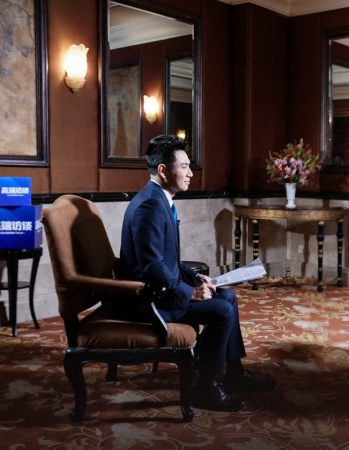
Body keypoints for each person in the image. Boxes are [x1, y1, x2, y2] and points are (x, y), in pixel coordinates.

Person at [117, 135, 276, 412]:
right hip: (150, 300)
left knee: (228, 297)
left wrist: (194, 277)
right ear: (163, 170)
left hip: (162, 290)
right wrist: (188, 293)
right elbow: (151, 267)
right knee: (221, 310)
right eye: (184, 167)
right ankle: (206, 388)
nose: (190, 173)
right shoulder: (149, 205)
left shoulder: (160, 199)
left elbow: (168, 260)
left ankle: (234, 372)